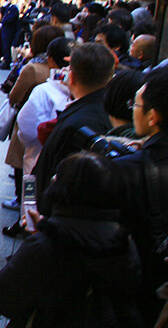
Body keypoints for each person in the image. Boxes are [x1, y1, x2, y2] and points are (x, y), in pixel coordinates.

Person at [0, 153, 147, 328]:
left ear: (69, 191)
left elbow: (0, 295)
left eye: (59, 177)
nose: (53, 179)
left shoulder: (45, 247)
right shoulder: (124, 241)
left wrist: (38, 238)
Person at [32, 42, 116, 216]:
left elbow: (64, 179)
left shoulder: (79, 123)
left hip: (59, 217)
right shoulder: (107, 111)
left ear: (73, 77)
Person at [117, 68, 168, 327]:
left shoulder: (128, 169)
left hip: (137, 288)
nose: (132, 109)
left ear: (153, 116)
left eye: (135, 104)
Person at [1, 27, 66, 211]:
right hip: (52, 139)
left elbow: (14, 97)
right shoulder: (67, 79)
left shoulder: (33, 69)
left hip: (33, 136)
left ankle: (26, 212)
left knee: (27, 171)